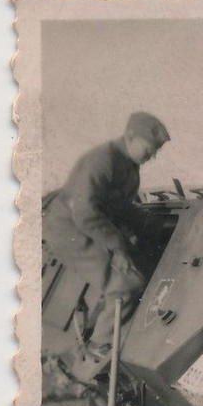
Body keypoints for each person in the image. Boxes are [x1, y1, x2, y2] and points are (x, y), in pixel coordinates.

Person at [42, 111, 171, 359]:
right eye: (149, 149)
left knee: (138, 269)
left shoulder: (130, 168)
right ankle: (97, 351)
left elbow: (120, 208)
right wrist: (119, 248)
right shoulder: (103, 160)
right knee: (126, 284)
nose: (152, 156)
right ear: (130, 137)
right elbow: (85, 212)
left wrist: (151, 225)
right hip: (69, 231)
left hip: (88, 228)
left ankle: (92, 333)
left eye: (156, 151)